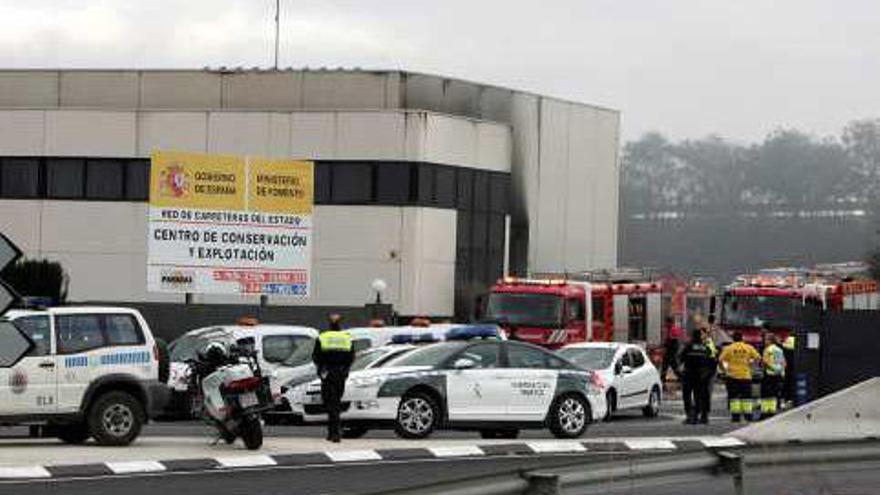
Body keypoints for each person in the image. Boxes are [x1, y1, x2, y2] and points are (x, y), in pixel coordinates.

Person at [312, 314, 355, 443]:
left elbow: (316, 356)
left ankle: (335, 433)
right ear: (340, 325)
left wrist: (321, 369)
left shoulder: (323, 337)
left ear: (330, 325)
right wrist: (345, 369)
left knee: (330, 403)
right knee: (336, 402)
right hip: (341, 374)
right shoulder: (347, 338)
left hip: (328, 373)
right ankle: (333, 433)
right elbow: (351, 357)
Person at [718, 332, 761, 423]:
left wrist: (724, 370)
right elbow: (758, 358)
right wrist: (751, 365)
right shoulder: (748, 347)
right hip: (746, 376)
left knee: (734, 397)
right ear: (742, 338)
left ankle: (735, 417)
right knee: (746, 397)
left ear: (733, 339)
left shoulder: (729, 348)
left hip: (732, 376)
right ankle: (748, 416)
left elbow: (720, 360)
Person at [679, 329, 717, 424]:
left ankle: (690, 416)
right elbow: (712, 362)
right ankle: (698, 415)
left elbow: (681, 358)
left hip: (689, 374)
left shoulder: (688, 346)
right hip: (702, 376)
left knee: (687, 395)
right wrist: (708, 374)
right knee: (699, 396)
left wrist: (680, 371)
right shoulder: (706, 347)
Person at [760, 333, 786, 419]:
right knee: (773, 394)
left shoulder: (768, 350)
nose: (764, 341)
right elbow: (783, 363)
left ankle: (764, 412)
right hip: (777, 374)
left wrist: (767, 366)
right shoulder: (779, 349)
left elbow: (765, 363)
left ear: (770, 341)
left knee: (765, 394)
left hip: (769, 373)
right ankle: (771, 411)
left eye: (766, 339)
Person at [661, 317, 684, 383]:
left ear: (670, 323)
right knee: (666, 366)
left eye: (667, 322)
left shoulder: (673, 329)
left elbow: (673, 340)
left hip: (671, 352)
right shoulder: (669, 329)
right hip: (670, 351)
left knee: (673, 366)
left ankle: (681, 378)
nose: (665, 324)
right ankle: (662, 378)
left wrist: (666, 345)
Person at [782, 335, 796, 407]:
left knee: (786, 382)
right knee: (790, 382)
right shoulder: (795, 339)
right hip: (793, 364)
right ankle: (790, 399)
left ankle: (786, 399)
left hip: (786, 365)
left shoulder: (786, 339)